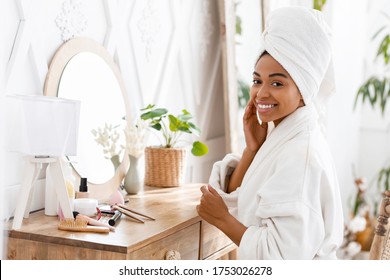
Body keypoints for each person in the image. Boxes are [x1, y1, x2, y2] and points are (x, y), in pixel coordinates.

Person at [196, 6, 344, 259]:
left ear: (304, 89)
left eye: (277, 83)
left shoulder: (300, 154)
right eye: (257, 80)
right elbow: (244, 198)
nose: (261, 93)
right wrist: (251, 150)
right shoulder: (285, 135)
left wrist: (222, 219)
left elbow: (280, 257)